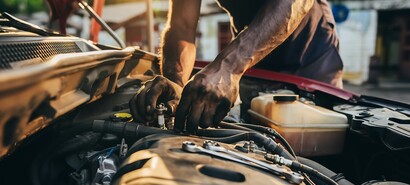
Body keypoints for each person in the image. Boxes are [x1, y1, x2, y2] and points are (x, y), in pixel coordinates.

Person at [130, 0, 343, 132]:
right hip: (252, 58)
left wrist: (228, 67)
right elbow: (182, 25)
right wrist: (175, 82)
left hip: (309, 57)